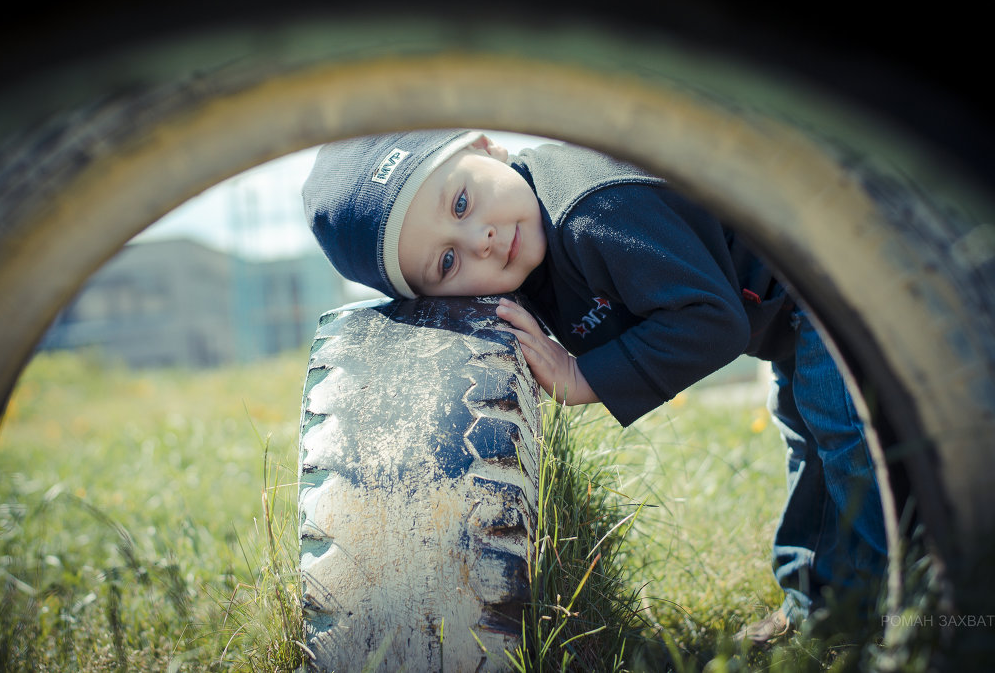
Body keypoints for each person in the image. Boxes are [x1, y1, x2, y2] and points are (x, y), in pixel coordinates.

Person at [302, 128, 888, 646]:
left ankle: (909, 599)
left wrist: (583, 377)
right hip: (785, 306)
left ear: (487, 148)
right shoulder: (528, 252)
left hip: (830, 259)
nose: (479, 239)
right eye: (448, 262)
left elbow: (711, 320)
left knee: (842, 430)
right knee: (809, 435)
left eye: (461, 202)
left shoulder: (591, 207)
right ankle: (825, 607)